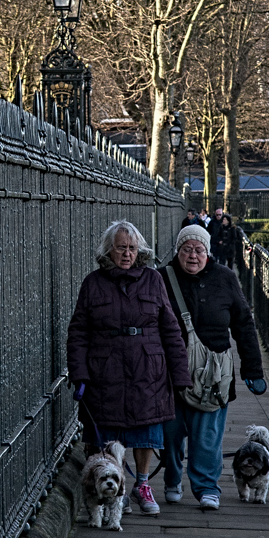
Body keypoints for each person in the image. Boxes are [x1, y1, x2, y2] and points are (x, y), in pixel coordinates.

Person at [67, 220, 190, 517]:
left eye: (132, 248)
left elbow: (171, 329)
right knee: (108, 432)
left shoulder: (153, 279)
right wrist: (79, 373)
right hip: (105, 368)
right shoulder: (93, 283)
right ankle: (117, 485)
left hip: (149, 367)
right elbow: (78, 331)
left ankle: (143, 483)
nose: (127, 254)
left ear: (140, 250)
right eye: (121, 247)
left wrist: (180, 374)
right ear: (109, 250)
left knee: (146, 429)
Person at [160, 225, 266, 510]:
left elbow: (244, 325)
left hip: (214, 374)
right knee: (170, 434)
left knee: (207, 436)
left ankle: (207, 487)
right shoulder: (161, 279)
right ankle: (172, 479)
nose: (193, 256)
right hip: (170, 372)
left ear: (208, 253)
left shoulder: (226, 278)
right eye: (187, 249)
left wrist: (253, 370)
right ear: (177, 251)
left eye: (199, 250)